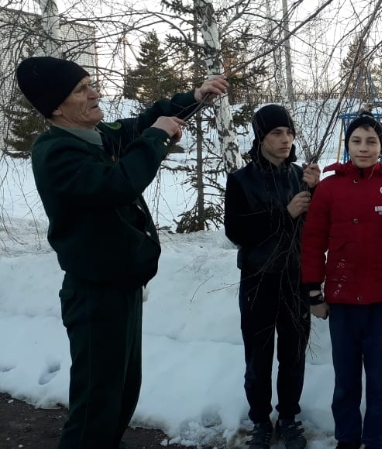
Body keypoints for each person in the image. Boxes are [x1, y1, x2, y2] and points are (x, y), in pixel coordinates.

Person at [14, 56, 228, 449]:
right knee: (96, 406)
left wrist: (194, 97)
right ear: (57, 107)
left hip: (122, 286)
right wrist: (156, 139)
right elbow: (117, 183)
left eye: (90, 84)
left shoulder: (95, 135)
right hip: (94, 295)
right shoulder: (57, 153)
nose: (94, 93)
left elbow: (140, 124)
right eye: (81, 89)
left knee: (123, 391)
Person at [300, 110, 382, 449]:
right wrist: (314, 293)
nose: (363, 147)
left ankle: (374, 440)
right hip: (342, 300)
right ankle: (347, 438)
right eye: (356, 141)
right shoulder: (329, 188)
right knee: (345, 379)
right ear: (347, 146)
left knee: (378, 379)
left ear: (381, 147)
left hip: (380, 301)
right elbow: (312, 242)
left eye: (371, 142)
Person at [224, 104, 321, 449]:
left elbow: (316, 230)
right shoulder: (241, 180)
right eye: (277, 133)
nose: (285, 139)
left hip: (295, 281)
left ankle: (289, 418)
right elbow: (237, 231)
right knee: (258, 358)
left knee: (293, 356)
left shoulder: (301, 176)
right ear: (261, 137)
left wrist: (317, 191)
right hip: (258, 280)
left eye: (289, 133)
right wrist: (285, 213)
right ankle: (261, 421)